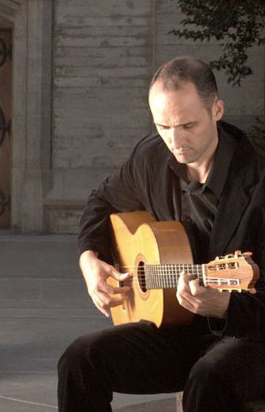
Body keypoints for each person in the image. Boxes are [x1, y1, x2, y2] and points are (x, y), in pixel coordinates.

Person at [57, 57, 265, 412]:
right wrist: (89, 260)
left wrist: (228, 306)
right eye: (163, 126)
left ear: (217, 109)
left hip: (250, 335)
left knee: (208, 377)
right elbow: (102, 199)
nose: (175, 140)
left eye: (188, 125)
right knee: (80, 358)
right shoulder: (152, 158)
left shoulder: (258, 181)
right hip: (178, 328)